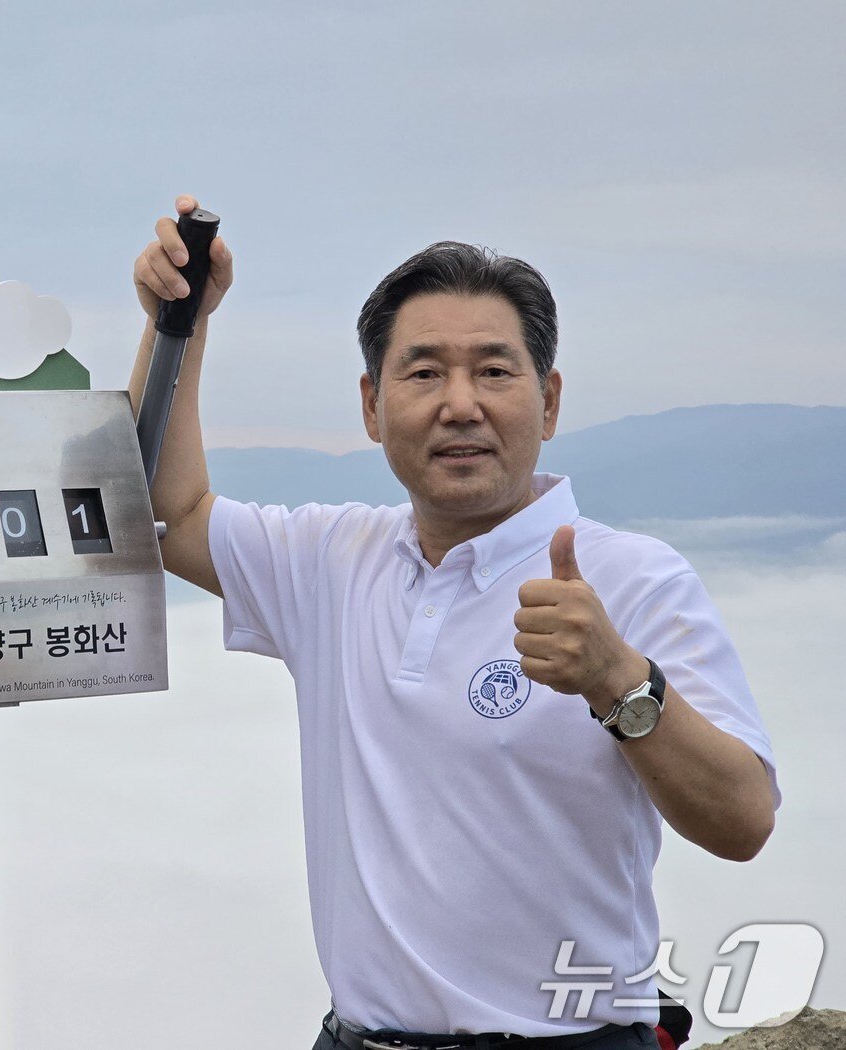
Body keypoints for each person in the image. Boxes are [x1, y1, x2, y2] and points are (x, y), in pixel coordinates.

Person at [127, 195, 780, 1050]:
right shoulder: (332, 560)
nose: (460, 403)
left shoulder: (634, 578)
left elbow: (745, 821)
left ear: (548, 403)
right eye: (424, 372)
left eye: (495, 372)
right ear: (372, 405)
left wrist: (618, 681)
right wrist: (181, 325)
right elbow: (167, 509)